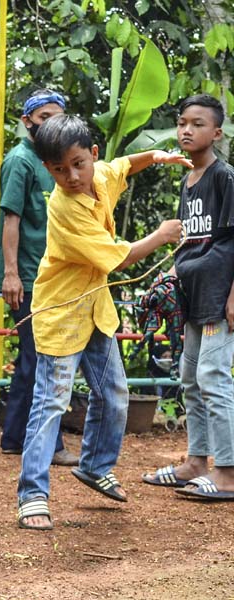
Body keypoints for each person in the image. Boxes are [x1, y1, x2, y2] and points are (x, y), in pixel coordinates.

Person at [16, 115, 190, 530]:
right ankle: (32, 494)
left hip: (95, 310)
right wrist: (161, 235)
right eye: (60, 170)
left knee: (114, 394)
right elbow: (118, 258)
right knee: (51, 403)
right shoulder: (64, 207)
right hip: (61, 314)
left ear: (92, 155)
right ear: (47, 169)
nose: (72, 176)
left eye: (78, 164)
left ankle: (95, 466)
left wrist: (157, 156)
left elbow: (125, 165)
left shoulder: (101, 175)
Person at [142, 94, 234, 500]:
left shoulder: (224, 178)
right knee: (191, 379)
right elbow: (193, 243)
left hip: (219, 298)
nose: (186, 130)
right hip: (193, 298)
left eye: (198, 124)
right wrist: (170, 274)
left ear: (217, 133)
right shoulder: (188, 182)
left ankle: (227, 472)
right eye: (182, 123)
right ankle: (197, 462)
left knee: (213, 378)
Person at [0, 88, 78, 467]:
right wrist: (11, 274)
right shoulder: (20, 160)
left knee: (33, 356)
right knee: (44, 356)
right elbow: (10, 220)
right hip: (27, 276)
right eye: (44, 117)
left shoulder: (52, 163)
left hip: (50, 275)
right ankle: (51, 444)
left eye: (57, 117)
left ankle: (14, 437)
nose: (51, 124)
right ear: (27, 121)